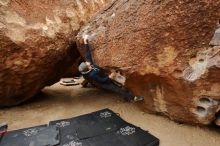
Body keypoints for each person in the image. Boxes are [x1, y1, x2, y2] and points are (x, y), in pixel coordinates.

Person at [78, 35, 144, 102]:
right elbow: (102, 80)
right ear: (88, 68)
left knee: (121, 84)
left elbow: (88, 54)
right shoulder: (92, 75)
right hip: (104, 83)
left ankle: (126, 98)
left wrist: (85, 42)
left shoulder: (90, 65)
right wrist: (110, 77)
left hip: (105, 75)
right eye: (86, 63)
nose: (87, 62)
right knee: (117, 89)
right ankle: (134, 98)